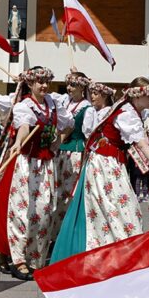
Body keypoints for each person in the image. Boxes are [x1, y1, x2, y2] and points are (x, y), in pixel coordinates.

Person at [52, 77, 149, 265]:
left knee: (115, 209)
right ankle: (120, 257)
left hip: (109, 163)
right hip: (105, 164)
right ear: (138, 97)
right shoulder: (127, 113)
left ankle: (118, 254)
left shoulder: (127, 110)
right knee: (120, 209)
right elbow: (140, 143)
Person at [5, 67, 74, 280]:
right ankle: (17, 259)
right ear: (30, 84)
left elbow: (68, 124)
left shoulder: (53, 104)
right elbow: (25, 127)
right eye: (39, 82)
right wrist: (18, 143)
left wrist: (56, 143)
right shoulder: (24, 106)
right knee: (23, 211)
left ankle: (36, 258)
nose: (43, 86)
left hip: (46, 165)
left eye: (46, 81)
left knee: (45, 211)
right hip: (27, 163)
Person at [54, 70, 95, 223]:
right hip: (60, 152)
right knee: (58, 193)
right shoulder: (65, 102)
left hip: (76, 152)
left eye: (73, 85)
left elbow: (88, 136)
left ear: (82, 87)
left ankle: (69, 226)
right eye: (68, 85)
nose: (69, 88)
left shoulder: (87, 108)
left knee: (70, 192)